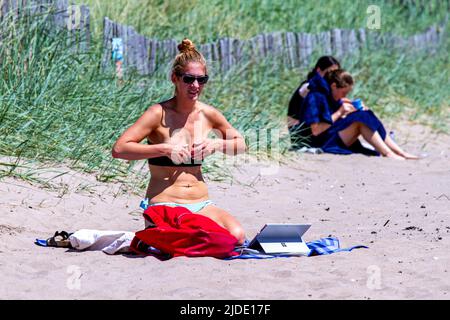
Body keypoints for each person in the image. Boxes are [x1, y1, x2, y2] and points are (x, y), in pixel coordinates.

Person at [112, 38, 247, 244]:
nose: (195, 85)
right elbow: (120, 149)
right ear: (174, 78)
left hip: (202, 204)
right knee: (193, 238)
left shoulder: (208, 114)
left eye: (201, 80)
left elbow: (241, 145)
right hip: (166, 202)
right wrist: (164, 149)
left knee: (237, 237)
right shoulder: (158, 113)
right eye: (188, 79)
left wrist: (216, 145)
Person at [297, 68, 419, 160]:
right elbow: (316, 130)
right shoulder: (316, 97)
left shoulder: (329, 96)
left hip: (329, 134)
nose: (344, 97)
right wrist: (340, 112)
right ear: (334, 86)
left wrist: (347, 113)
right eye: (344, 93)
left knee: (366, 113)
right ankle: (388, 153)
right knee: (360, 119)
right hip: (319, 141)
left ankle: (400, 152)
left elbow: (331, 118)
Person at [287, 56, 341, 149]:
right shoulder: (310, 86)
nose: (333, 77)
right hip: (301, 134)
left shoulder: (324, 88)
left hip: (308, 131)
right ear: (319, 70)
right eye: (330, 72)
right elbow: (306, 90)